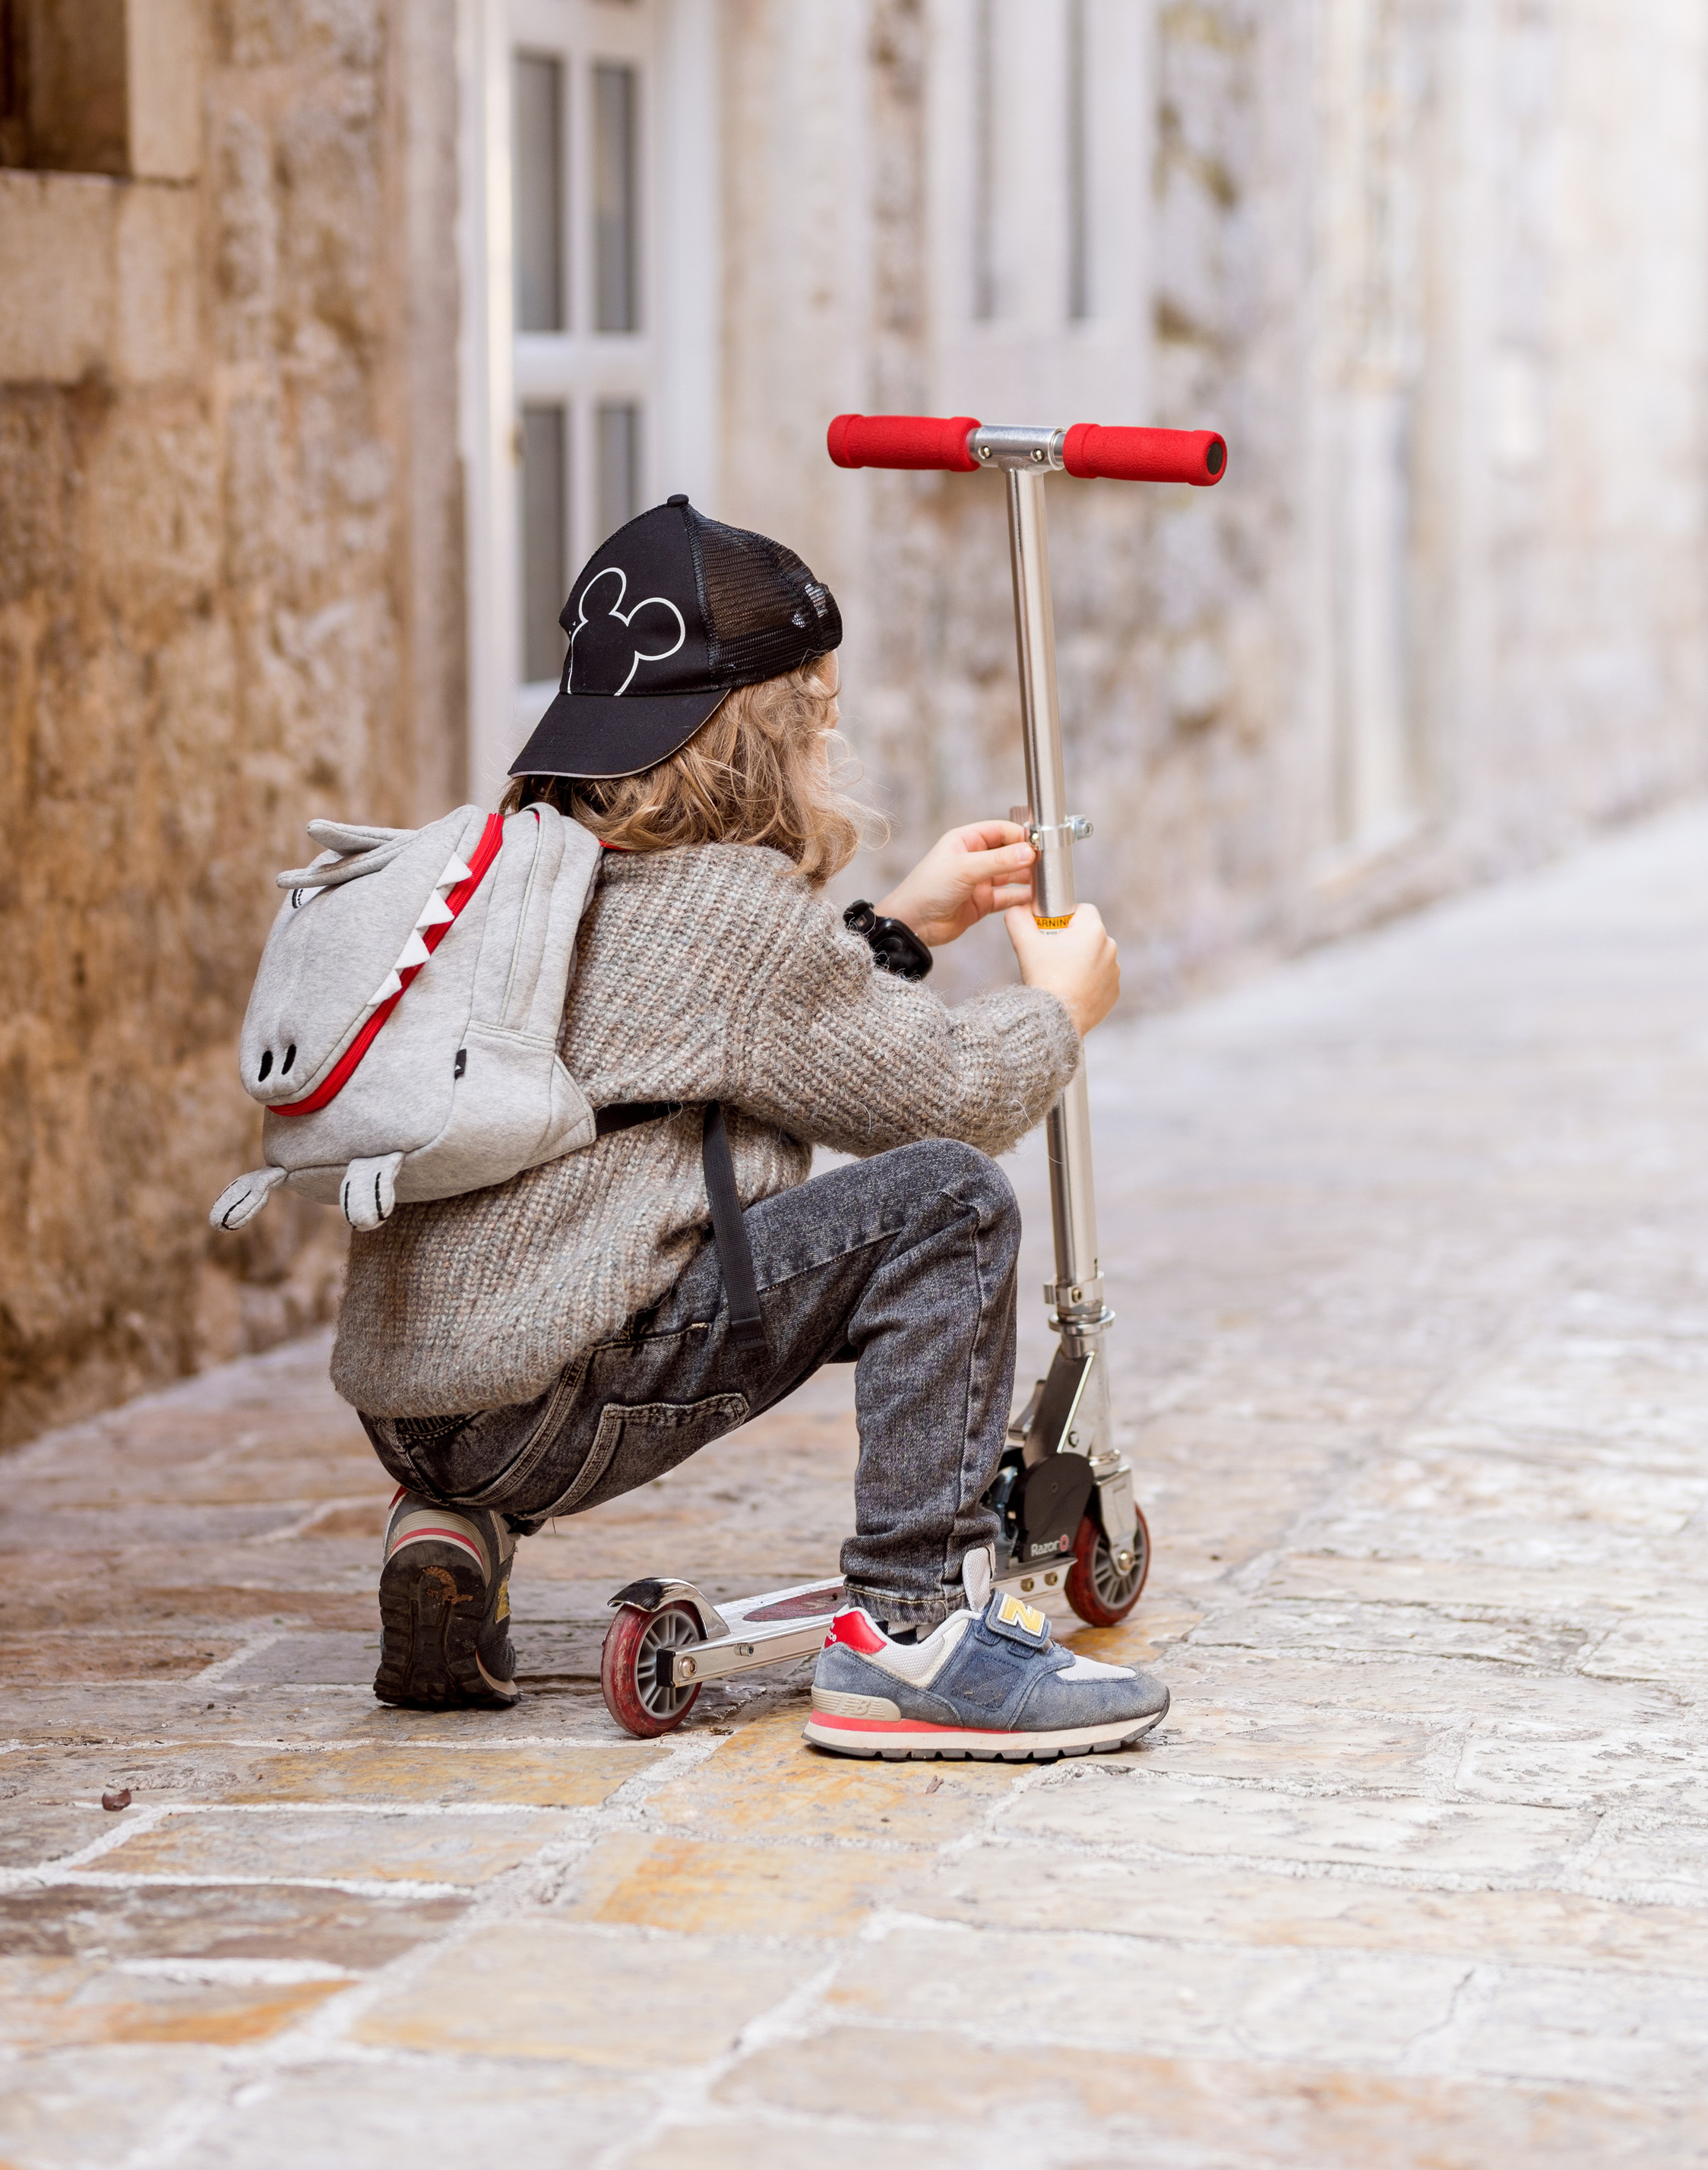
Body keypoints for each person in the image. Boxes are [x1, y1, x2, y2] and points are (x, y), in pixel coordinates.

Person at [331, 493, 1169, 1759]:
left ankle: (449, 1523)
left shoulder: (515, 862)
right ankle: (915, 1635)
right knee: (944, 1199)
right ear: (764, 736)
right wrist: (1058, 1011)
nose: (830, 745)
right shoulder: (734, 910)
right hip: (549, 1406)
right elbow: (949, 1093)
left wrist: (897, 927)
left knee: (574, 1244)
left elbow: (710, 1033)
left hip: (414, 1397)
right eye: (819, 716)